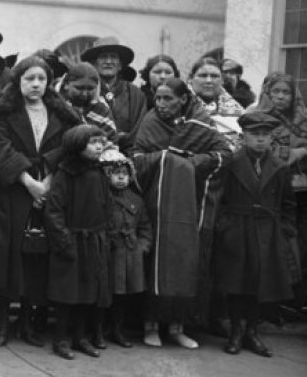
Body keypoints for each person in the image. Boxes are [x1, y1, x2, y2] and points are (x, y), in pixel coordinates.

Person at [0, 56, 80, 348]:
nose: (35, 84)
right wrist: (29, 182)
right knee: (9, 253)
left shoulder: (61, 114)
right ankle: (2, 319)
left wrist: (47, 183)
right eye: (29, 79)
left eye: (41, 79)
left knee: (37, 255)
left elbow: (66, 147)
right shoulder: (4, 112)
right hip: (15, 189)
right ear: (18, 81)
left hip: (48, 189)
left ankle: (26, 321)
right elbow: (1, 148)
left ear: (49, 83)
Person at [132, 77, 230, 350]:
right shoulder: (150, 121)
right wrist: (169, 159)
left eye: (168, 99)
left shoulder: (200, 120)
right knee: (156, 262)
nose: (161, 104)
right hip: (157, 205)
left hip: (190, 207)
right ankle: (150, 326)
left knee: (185, 261)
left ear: (183, 99)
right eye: (158, 98)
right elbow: (138, 160)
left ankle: (177, 327)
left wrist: (192, 163)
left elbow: (223, 154)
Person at [214, 112, 296, 358]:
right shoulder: (231, 163)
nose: (260, 140)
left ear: (271, 138)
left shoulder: (280, 167)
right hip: (237, 229)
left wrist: (284, 230)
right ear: (243, 136)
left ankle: (252, 331)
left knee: (261, 284)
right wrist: (224, 226)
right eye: (254, 134)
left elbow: (289, 204)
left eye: (265, 135)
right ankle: (235, 332)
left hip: (267, 233)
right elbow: (219, 200)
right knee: (237, 283)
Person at [249, 72, 307, 312]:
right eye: (276, 92)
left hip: (303, 194)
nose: (281, 97)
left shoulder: (304, 121)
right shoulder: (255, 118)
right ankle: (270, 304)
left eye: (286, 92)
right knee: (275, 247)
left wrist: (302, 153)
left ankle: (300, 302)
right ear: (267, 94)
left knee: (304, 247)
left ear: (294, 96)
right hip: (270, 194)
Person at [43, 125, 111, 360]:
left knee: (88, 293)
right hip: (71, 240)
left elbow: (105, 204)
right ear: (77, 145)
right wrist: (63, 241)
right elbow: (54, 210)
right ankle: (61, 338)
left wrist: (103, 235)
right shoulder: (65, 173)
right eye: (93, 142)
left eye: (101, 142)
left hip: (93, 240)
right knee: (67, 294)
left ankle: (80, 337)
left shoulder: (99, 171)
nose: (99, 146)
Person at [98, 149, 151, 348]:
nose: (121, 177)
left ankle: (118, 330)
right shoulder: (103, 197)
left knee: (123, 296)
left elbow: (145, 226)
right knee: (106, 292)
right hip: (110, 252)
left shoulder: (136, 199)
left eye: (125, 174)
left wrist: (143, 247)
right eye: (115, 173)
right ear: (107, 175)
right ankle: (100, 328)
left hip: (130, 253)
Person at [80, 37, 146, 151]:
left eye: (113, 57)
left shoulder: (135, 94)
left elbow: (140, 129)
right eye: (103, 57)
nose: (109, 61)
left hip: (128, 153)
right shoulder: (86, 91)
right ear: (94, 63)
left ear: (120, 65)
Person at [190, 57, 244, 147]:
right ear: (191, 78)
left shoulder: (237, 111)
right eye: (203, 76)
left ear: (222, 80)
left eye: (214, 76)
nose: (209, 81)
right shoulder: (179, 105)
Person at [59, 62, 117, 142]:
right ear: (66, 85)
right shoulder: (54, 103)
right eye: (79, 88)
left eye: (90, 89)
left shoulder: (101, 109)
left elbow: (110, 142)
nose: (84, 94)